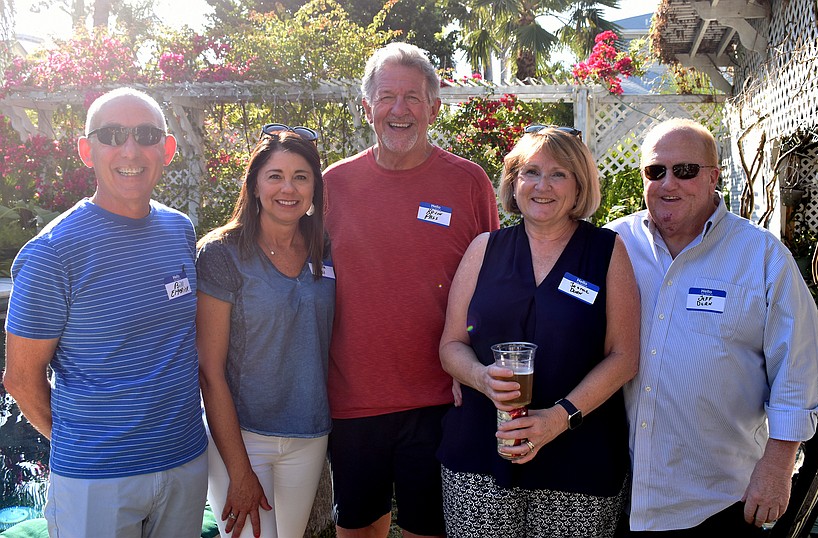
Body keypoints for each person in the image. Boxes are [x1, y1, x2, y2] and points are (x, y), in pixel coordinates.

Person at [606, 118, 818, 535]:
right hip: (615, 494)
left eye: (685, 170)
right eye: (656, 171)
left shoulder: (762, 257)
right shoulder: (612, 245)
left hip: (717, 500)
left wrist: (778, 467)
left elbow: (798, 368)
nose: (668, 182)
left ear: (713, 177)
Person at [3, 87, 208, 537]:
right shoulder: (53, 254)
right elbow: (20, 378)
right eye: (112, 134)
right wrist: (84, 444)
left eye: (146, 134)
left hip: (186, 461)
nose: (130, 149)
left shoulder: (179, 230)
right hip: (97, 479)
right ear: (86, 149)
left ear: (167, 149)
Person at [323, 42, 500, 538]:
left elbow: (491, 287)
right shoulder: (332, 185)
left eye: (413, 97)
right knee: (358, 530)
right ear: (367, 107)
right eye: (385, 97)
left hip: (441, 398)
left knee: (430, 531)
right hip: (355, 399)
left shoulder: (468, 183)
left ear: (435, 108)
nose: (399, 110)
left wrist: (473, 370)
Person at [437, 126, 640, 538]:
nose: (542, 185)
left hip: (578, 458)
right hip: (481, 451)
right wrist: (479, 377)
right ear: (514, 182)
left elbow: (624, 356)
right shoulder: (484, 249)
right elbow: (452, 344)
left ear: (579, 184)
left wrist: (557, 419)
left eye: (559, 174)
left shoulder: (606, 251)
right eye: (530, 172)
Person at [196, 125, 334, 538]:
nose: (287, 188)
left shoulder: (323, 247)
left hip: (309, 435)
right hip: (241, 436)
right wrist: (239, 470)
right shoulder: (222, 253)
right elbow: (209, 370)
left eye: (301, 177)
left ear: (314, 189)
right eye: (275, 175)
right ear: (255, 184)